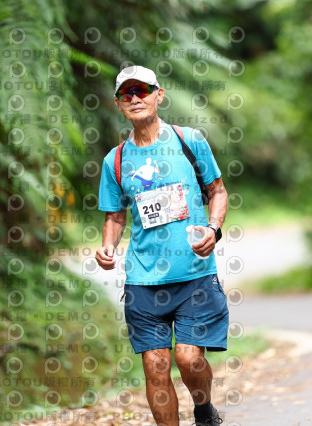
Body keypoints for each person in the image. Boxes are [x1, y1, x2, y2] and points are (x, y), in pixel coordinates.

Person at [95, 65, 229, 426]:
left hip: (194, 274)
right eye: (126, 94)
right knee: (155, 366)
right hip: (143, 279)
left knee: (188, 359)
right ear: (118, 104)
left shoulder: (190, 141)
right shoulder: (115, 160)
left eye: (142, 90)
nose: (135, 98)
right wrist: (108, 247)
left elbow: (217, 191)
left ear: (159, 95)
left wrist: (213, 229)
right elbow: (115, 216)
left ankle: (203, 408)